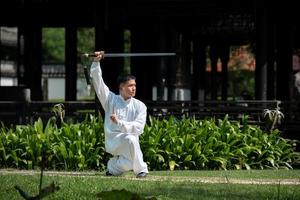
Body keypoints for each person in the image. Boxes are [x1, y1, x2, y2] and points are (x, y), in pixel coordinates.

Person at [89, 51, 148, 178]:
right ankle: (142, 170)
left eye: (135, 85)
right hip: (113, 140)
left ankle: (112, 166)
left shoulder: (140, 106)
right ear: (121, 87)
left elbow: (138, 128)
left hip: (130, 142)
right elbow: (98, 84)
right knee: (131, 139)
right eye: (130, 86)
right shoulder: (110, 100)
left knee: (130, 160)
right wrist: (96, 62)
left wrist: (120, 123)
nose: (134, 88)